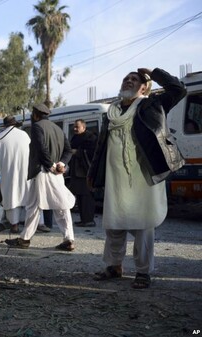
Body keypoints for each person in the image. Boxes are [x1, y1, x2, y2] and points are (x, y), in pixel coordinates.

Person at [88, 68, 186, 289]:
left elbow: (178, 90)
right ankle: (114, 266)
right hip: (116, 179)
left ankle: (143, 272)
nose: (129, 81)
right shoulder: (111, 112)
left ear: (144, 87)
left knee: (143, 225)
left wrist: (154, 73)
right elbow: (101, 148)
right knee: (113, 224)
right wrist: (93, 174)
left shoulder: (151, 105)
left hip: (142, 177)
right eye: (126, 78)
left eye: (135, 80)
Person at [5, 103, 76, 251]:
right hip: (56, 173)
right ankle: (67, 239)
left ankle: (26, 239)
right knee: (54, 206)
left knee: (45, 206)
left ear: (36, 115)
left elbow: (41, 148)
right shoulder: (58, 129)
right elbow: (68, 151)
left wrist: (51, 166)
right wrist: (61, 164)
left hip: (44, 172)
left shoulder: (37, 127)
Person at [0, 115, 31, 234]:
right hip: (25, 171)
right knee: (27, 196)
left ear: (4, 125)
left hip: (7, 172)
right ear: (15, 124)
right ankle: (33, 225)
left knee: (11, 197)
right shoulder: (24, 135)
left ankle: (14, 225)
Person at [69, 119, 98, 227]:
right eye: (74, 127)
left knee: (87, 197)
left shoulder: (90, 138)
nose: (75, 129)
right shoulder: (75, 138)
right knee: (80, 197)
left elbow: (93, 153)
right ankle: (83, 219)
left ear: (84, 127)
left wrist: (78, 152)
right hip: (77, 172)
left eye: (78, 127)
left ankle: (89, 220)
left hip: (86, 172)